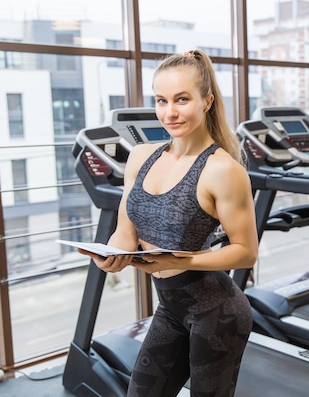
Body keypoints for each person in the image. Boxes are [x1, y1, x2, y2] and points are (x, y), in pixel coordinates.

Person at [79, 49, 258, 397]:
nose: (170, 112)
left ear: (206, 102)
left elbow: (246, 252)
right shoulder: (141, 156)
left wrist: (181, 259)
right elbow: (126, 230)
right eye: (161, 101)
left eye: (182, 99)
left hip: (218, 313)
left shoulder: (222, 170)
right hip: (171, 308)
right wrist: (113, 256)